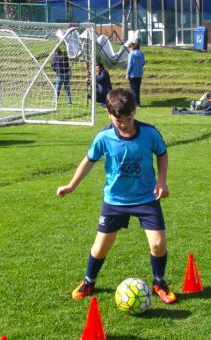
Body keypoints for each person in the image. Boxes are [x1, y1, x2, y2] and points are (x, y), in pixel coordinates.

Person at [56, 88, 177, 304]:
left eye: (128, 118)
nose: (124, 123)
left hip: (146, 199)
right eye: (118, 119)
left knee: (158, 244)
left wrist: (161, 180)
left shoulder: (150, 133)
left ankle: (159, 281)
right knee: (101, 246)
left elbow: (162, 153)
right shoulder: (104, 137)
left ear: (135, 111)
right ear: (109, 115)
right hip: (115, 201)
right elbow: (88, 161)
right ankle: (89, 280)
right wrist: (71, 185)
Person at [125, 42, 145, 107]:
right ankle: (138, 103)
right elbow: (143, 63)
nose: (129, 49)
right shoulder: (142, 53)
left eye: (129, 48)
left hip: (132, 74)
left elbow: (130, 65)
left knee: (133, 90)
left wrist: (127, 73)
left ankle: (135, 104)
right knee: (137, 89)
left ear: (131, 47)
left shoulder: (131, 54)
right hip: (139, 74)